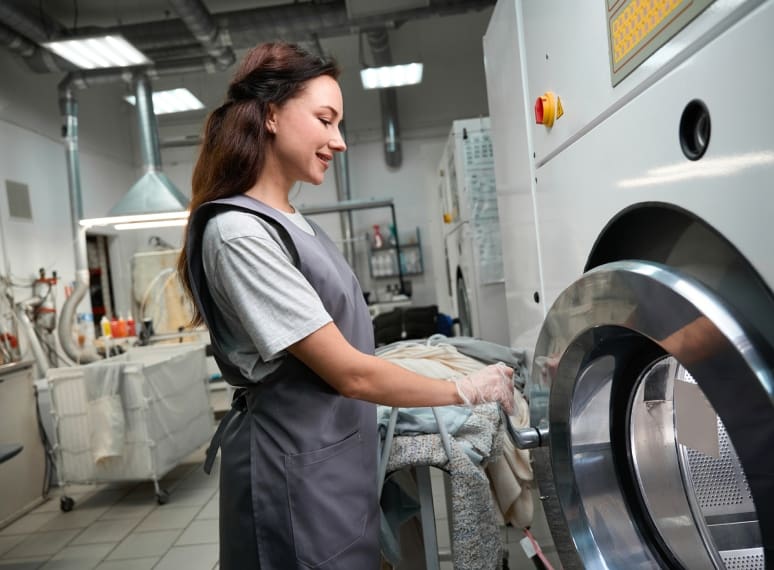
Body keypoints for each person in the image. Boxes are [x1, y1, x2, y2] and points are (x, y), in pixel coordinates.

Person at [177, 41, 515, 570]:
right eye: (325, 119)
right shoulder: (238, 233)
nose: (338, 141)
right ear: (270, 115)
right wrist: (463, 390)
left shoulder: (295, 222)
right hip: (291, 474)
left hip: (334, 462)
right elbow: (351, 374)